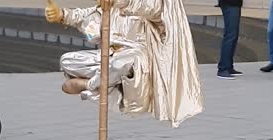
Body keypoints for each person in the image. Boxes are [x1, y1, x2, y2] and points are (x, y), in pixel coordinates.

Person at [45, 0, 204, 128]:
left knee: (120, 63)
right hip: (109, 55)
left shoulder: (148, 3)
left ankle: (90, 85)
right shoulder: (109, 5)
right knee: (67, 60)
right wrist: (62, 15)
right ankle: (104, 84)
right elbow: (88, 15)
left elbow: (152, 8)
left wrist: (119, 2)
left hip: (137, 56)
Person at [217, 0, 243, 80]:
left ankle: (229, 66)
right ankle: (223, 68)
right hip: (229, 3)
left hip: (235, 3)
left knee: (234, 35)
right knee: (230, 35)